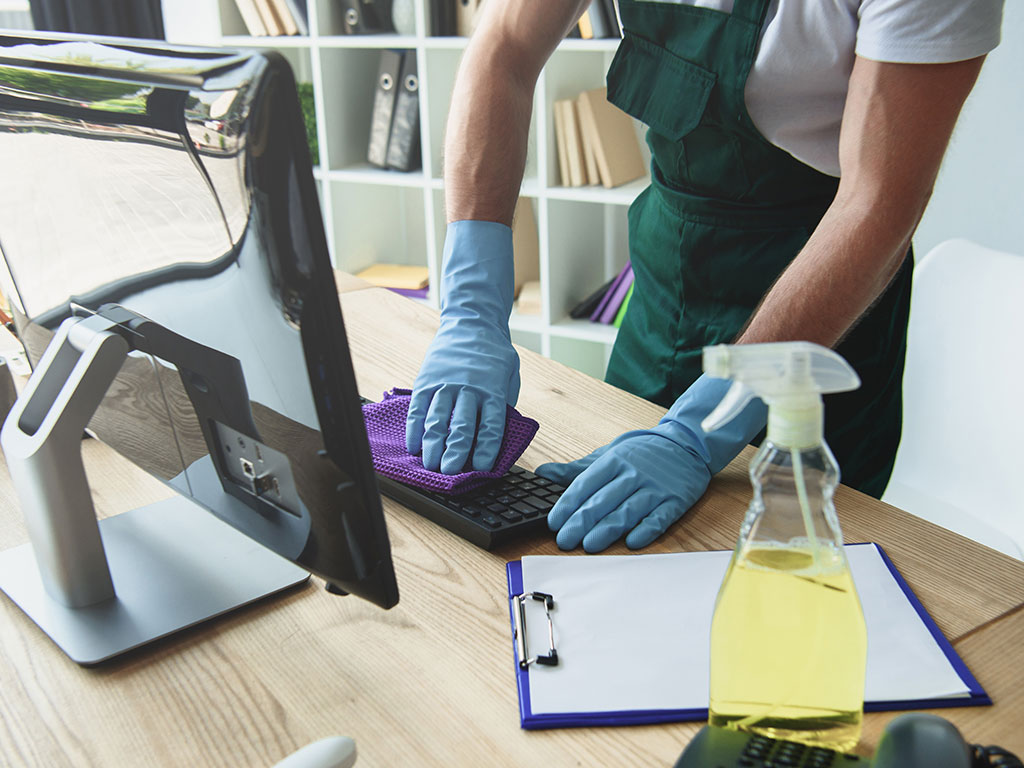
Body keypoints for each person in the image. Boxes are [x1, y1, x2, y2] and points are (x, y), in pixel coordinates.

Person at [406, 0, 1004, 552]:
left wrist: (705, 427)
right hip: (666, 286)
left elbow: (879, 202)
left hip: (818, 315)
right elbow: (503, 45)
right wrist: (471, 308)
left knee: (781, 593)